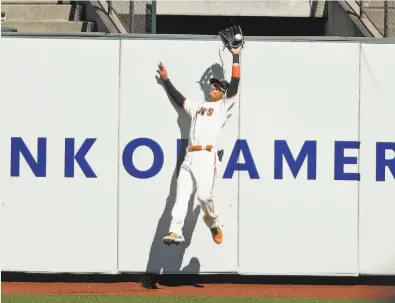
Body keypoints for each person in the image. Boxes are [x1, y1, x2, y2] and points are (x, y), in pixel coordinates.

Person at [156, 46, 241, 245]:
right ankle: (175, 231)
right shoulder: (198, 107)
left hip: (206, 156)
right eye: (213, 85)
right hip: (189, 157)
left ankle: (212, 223)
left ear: (224, 93)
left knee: (204, 196)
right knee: (181, 196)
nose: (214, 87)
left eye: (219, 87)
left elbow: (235, 84)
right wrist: (166, 79)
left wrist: (236, 56)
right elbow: (179, 99)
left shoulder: (223, 106)